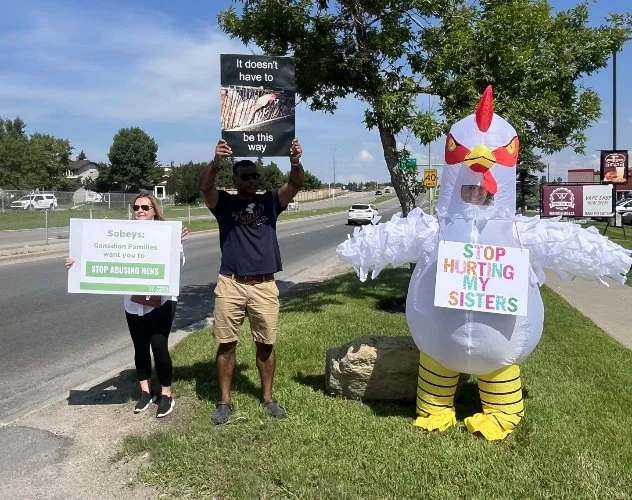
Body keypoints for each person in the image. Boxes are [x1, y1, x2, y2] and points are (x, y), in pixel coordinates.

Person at [201, 138, 304, 424]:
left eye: (255, 175)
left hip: (264, 285)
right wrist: (216, 161)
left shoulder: (270, 201)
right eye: (245, 176)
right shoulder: (224, 203)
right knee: (226, 344)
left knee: (266, 344)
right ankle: (224, 402)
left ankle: (268, 398)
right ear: (235, 179)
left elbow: (294, 185)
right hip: (231, 283)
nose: (252, 180)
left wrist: (294, 162)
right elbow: (205, 188)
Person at [66, 192, 187, 418]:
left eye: (145, 207)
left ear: (155, 211)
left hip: (161, 302)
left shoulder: (167, 236)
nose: (140, 211)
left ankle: (166, 394)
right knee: (139, 347)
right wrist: (76, 263)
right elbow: (102, 255)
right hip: (133, 303)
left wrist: (175, 243)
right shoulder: (123, 235)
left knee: (159, 346)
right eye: (136, 207)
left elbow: (177, 266)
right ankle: (145, 392)